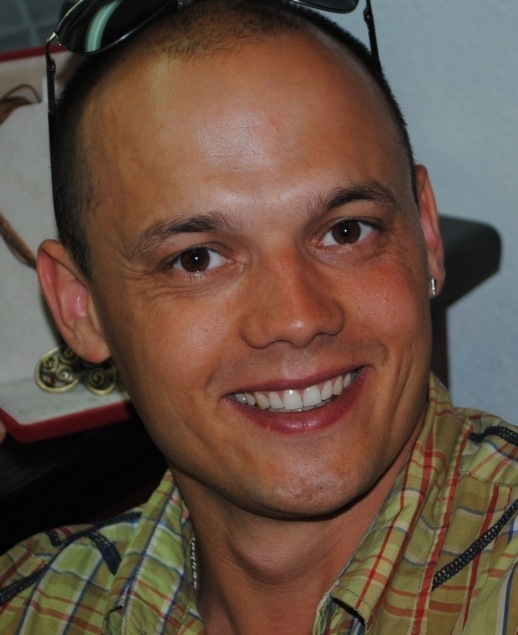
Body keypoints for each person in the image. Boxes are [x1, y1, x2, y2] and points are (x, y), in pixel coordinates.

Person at [1, 0, 517, 632]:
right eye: (196, 259)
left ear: (426, 233)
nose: (297, 318)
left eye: (346, 231)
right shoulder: (30, 609)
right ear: (80, 308)